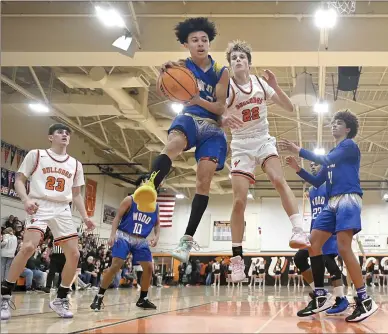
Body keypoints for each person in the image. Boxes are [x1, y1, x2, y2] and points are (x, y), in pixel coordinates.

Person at [133, 17, 230, 264]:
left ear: (209, 43)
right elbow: (162, 88)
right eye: (195, 40)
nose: (200, 44)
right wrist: (164, 74)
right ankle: (151, 186)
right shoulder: (181, 67)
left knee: (204, 179)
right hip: (188, 117)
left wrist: (198, 99)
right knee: (173, 144)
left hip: (211, 127)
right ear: (186, 44)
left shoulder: (221, 71)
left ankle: (186, 240)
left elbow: (220, 107)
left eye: (204, 40)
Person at [222, 40, 310, 282]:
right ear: (230, 65)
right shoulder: (227, 88)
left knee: (278, 179)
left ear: (249, 63)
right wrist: (224, 118)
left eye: (242, 57)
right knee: (239, 201)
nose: (238, 60)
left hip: (262, 140)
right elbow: (217, 117)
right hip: (240, 145)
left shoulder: (260, 83)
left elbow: (290, 107)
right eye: (234, 58)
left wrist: (276, 87)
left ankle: (299, 231)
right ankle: (237, 259)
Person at [280, 110, 378, 322]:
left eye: (339, 123)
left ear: (348, 128)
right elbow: (317, 181)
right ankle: (321, 295)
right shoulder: (334, 153)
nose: (334, 126)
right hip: (332, 202)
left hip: (348, 198)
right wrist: (299, 170)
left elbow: (325, 158)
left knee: (343, 248)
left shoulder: (348, 146)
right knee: (313, 245)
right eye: (332, 123)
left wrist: (299, 150)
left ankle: (364, 299)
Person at [1, 123, 95, 320]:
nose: (64, 135)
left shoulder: (76, 164)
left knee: (75, 254)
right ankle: (5, 295)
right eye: (60, 132)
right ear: (50, 137)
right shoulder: (36, 155)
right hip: (39, 203)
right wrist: (26, 199)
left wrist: (86, 217)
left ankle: (61, 298)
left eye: (67, 133)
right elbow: (18, 179)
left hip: (63, 208)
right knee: (27, 247)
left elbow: (76, 194)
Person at [287, 159, 349, 315]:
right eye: (311, 165)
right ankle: (320, 292)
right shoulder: (312, 190)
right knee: (299, 258)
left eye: (315, 164)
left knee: (327, 259)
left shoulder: (331, 185)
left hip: (330, 228)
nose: (313, 166)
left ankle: (341, 298)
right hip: (316, 228)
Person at [90, 179, 160, 311]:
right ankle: (99, 297)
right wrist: (112, 234)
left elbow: (157, 223)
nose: (147, 184)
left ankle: (143, 299)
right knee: (116, 265)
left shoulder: (155, 205)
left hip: (141, 239)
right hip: (124, 235)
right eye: (144, 182)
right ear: (139, 185)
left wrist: (156, 236)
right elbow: (117, 217)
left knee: (149, 268)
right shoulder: (130, 199)